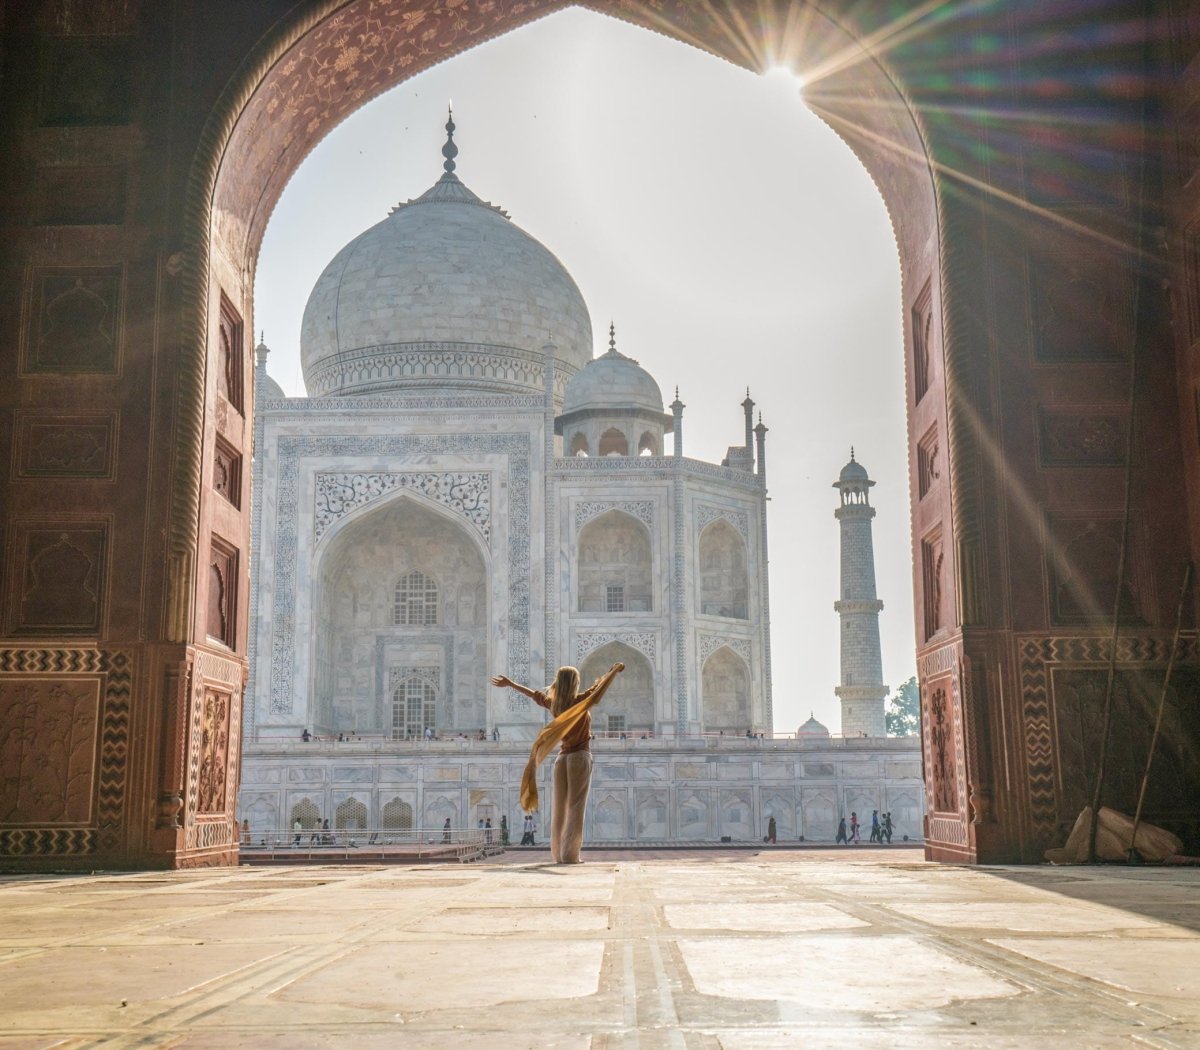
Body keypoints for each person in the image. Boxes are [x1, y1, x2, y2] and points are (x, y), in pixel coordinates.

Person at [491, 662, 624, 864]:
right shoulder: (579, 702)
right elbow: (597, 692)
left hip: (561, 760)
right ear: (574, 683)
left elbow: (534, 695)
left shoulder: (555, 705)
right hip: (579, 757)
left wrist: (510, 684)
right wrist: (613, 672)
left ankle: (558, 855)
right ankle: (571, 855)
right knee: (575, 807)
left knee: (559, 809)